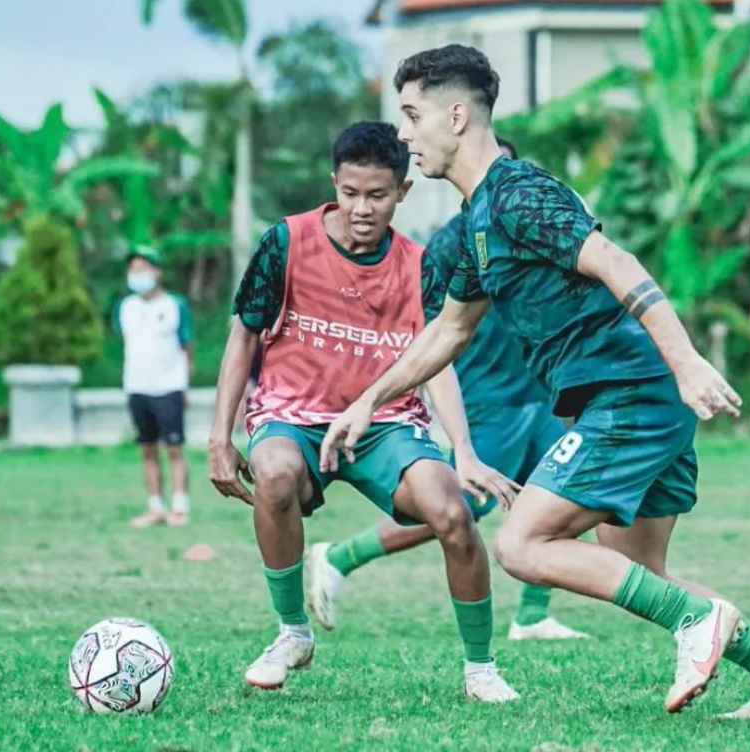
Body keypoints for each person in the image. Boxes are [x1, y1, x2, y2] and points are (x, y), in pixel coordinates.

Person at [320, 45, 750, 719]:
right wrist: (366, 401)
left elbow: (614, 260)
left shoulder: (519, 193)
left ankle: (699, 623)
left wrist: (685, 361)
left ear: (456, 115)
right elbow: (447, 334)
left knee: (522, 545)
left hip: (631, 394)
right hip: (627, 396)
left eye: (412, 117)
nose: (404, 135)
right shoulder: (477, 220)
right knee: (643, 575)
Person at [207, 121, 521, 702]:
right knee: (274, 476)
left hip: (387, 424)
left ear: (402, 192)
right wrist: (220, 437)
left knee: (453, 513)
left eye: (377, 196)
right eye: (350, 193)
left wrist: (465, 452)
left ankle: (481, 668)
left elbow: (438, 358)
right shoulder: (287, 241)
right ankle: (291, 634)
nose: (361, 208)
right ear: (334, 183)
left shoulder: (420, 263)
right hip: (292, 415)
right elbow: (243, 336)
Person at [308, 137, 588, 642]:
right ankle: (341, 556)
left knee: (563, 495)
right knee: (466, 507)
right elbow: (429, 335)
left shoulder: (533, 232)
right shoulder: (448, 245)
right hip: (489, 398)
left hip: (540, 394)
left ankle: (532, 614)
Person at [114, 246, 194, 528]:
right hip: (137, 386)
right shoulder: (126, 307)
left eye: (143, 269)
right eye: (133, 270)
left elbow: (187, 347)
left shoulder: (175, 305)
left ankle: (180, 506)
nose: (138, 275)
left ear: (157, 272)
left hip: (169, 386)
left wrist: (184, 384)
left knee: (174, 448)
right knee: (147, 449)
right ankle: (155, 506)